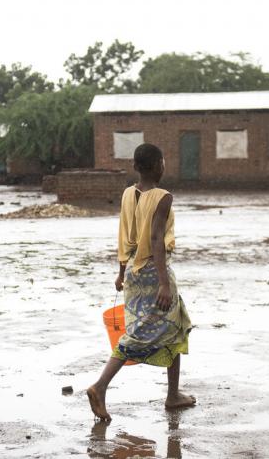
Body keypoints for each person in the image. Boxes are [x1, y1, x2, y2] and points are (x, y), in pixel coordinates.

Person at [87, 143, 194, 422]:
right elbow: (157, 239)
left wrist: (121, 271)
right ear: (159, 164)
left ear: (136, 166)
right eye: (163, 161)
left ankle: (173, 395)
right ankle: (100, 386)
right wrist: (163, 284)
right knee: (139, 333)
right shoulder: (163, 197)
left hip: (133, 269)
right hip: (153, 270)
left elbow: (124, 234)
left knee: (175, 328)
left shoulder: (127, 194)